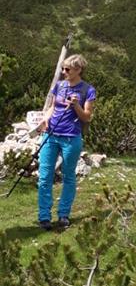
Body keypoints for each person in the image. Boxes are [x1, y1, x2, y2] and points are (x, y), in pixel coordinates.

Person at [37, 53, 96, 231]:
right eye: (63, 68)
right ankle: (44, 216)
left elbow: (87, 117)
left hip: (71, 137)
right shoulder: (59, 86)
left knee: (68, 176)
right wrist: (45, 120)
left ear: (78, 70)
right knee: (44, 176)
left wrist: (77, 105)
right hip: (51, 135)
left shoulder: (88, 90)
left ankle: (63, 214)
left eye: (67, 69)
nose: (63, 72)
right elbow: (53, 107)